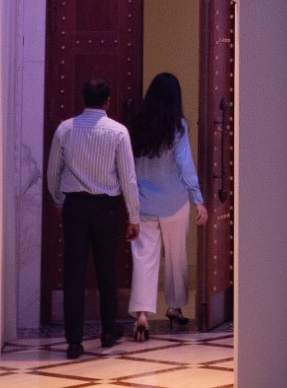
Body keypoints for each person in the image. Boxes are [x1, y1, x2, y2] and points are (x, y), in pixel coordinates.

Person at [47, 78, 140, 358]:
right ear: (108, 101)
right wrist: (134, 216)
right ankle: (108, 331)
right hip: (106, 208)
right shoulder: (118, 132)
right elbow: (128, 178)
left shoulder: (65, 129)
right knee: (106, 269)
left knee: (73, 272)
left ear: (83, 98)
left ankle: (74, 341)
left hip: (75, 206)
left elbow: (53, 172)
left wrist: (59, 200)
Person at [126, 72, 206, 340]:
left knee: (143, 259)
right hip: (174, 201)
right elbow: (185, 163)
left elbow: (130, 166)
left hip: (144, 203)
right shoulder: (178, 126)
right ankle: (174, 307)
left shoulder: (137, 125)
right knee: (176, 256)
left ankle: (142, 315)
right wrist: (198, 199)